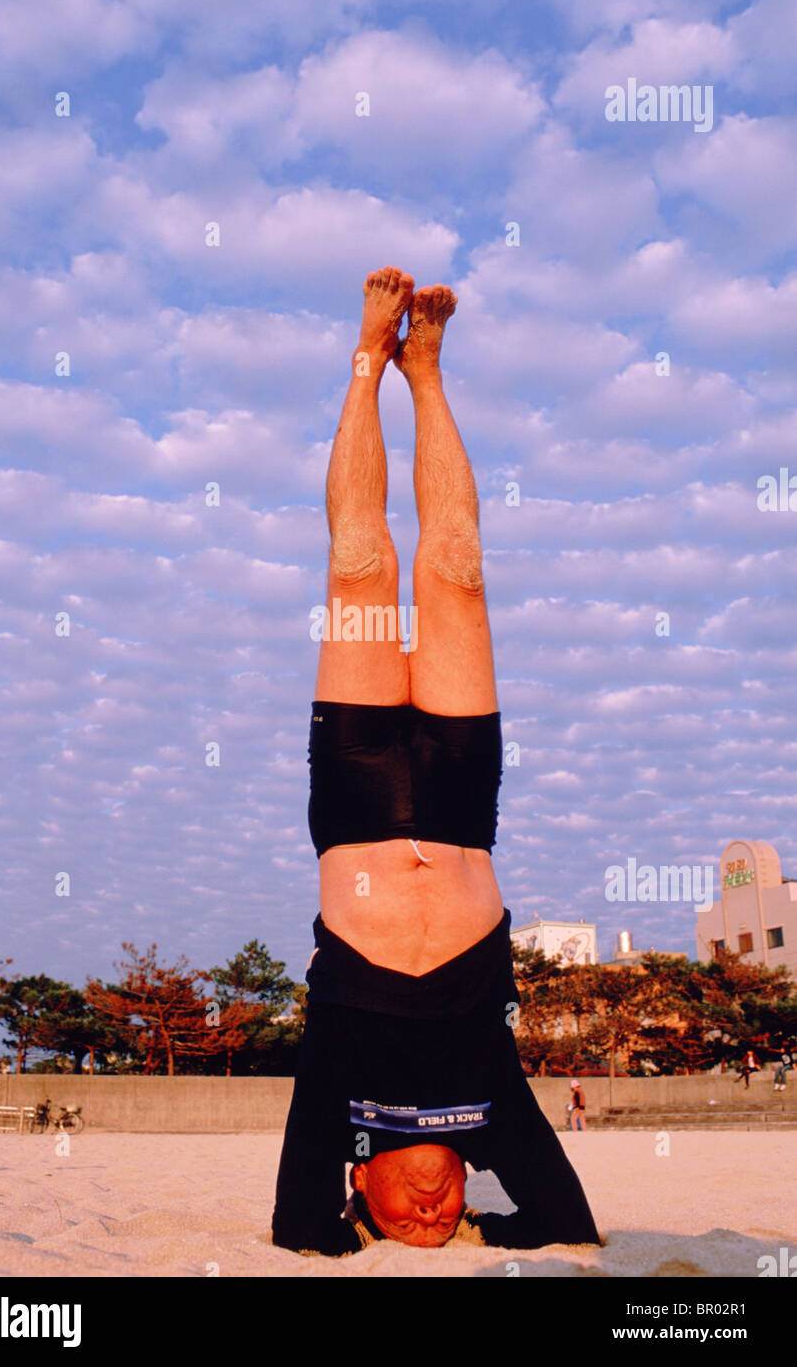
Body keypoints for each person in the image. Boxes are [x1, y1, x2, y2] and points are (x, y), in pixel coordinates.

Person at [271, 266, 601, 1256]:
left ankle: (371, 359)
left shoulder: (342, 1105)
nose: (431, 1214)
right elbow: (563, 1221)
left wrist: (344, 1234)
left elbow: (297, 1225)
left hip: (358, 801)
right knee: (456, 569)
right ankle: (430, 373)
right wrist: (486, 1236)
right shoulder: (489, 1113)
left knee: (358, 563)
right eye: (446, 1217)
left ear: (359, 1189)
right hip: (462, 809)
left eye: (404, 1218)